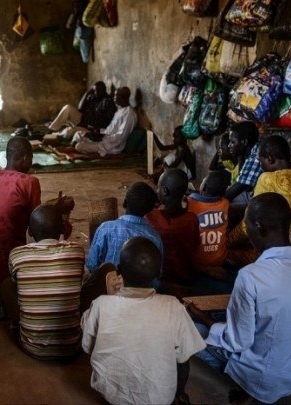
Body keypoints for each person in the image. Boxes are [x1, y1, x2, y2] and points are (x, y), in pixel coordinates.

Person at [189, 193, 291, 404]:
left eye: (246, 225)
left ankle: (248, 387)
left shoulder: (250, 276)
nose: (246, 231)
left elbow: (238, 341)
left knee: (192, 329)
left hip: (265, 378)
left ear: (259, 227)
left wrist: (205, 319)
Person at [81, 237, 206, 405]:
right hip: (160, 399)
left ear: (119, 271)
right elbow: (183, 358)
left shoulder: (101, 305)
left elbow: (88, 346)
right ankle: (179, 396)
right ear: (159, 272)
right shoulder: (173, 306)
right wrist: (179, 392)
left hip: (112, 396)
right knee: (182, 356)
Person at [0, 204, 85, 359]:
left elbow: (16, 283)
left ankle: (21, 324)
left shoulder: (17, 255)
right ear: (63, 229)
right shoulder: (77, 251)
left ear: (30, 232)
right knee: (87, 278)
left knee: (7, 284)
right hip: (72, 346)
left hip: (33, 348)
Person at [228, 135, 291, 266]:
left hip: (275, 256)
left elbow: (248, 225)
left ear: (270, 159)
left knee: (224, 253)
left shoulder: (268, 179)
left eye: (260, 161)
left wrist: (228, 241)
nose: (261, 166)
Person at [0, 137, 41, 287]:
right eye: (31, 159)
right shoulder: (29, 182)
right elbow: (36, 227)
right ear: (25, 158)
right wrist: (59, 213)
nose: (31, 163)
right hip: (13, 262)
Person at [85, 182, 163, 273]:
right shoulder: (154, 237)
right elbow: (157, 274)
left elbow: (91, 265)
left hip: (107, 281)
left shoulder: (105, 228)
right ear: (150, 210)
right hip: (142, 282)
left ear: (125, 202)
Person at [146, 169, 200, 296]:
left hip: (163, 281)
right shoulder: (192, 218)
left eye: (158, 187)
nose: (157, 191)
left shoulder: (152, 218)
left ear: (164, 191)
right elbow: (196, 245)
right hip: (187, 278)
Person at [187, 170, 230, 280]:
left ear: (203, 186)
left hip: (197, 260)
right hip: (220, 259)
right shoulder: (225, 203)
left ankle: (204, 269)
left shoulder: (189, 202)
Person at [72, 87, 138, 156]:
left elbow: (120, 137)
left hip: (111, 146)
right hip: (105, 138)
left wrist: (102, 137)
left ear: (123, 97)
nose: (114, 97)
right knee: (79, 134)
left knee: (79, 146)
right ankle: (75, 146)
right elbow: (110, 130)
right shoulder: (120, 110)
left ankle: (81, 148)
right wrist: (99, 131)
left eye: (116, 95)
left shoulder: (129, 113)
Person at [48, 81, 116, 138]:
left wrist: (97, 130)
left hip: (90, 129)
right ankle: (52, 129)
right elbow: (80, 108)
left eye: (99, 90)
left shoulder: (107, 101)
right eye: (95, 90)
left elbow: (110, 121)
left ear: (104, 90)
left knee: (69, 131)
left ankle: (54, 136)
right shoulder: (94, 97)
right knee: (67, 107)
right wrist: (87, 92)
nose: (96, 92)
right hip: (82, 121)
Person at [223, 121, 262, 207]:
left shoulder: (256, 154)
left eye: (233, 142)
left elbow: (242, 185)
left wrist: (217, 204)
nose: (229, 145)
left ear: (244, 142)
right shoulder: (249, 150)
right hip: (251, 193)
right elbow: (241, 179)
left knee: (226, 204)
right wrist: (240, 155)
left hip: (262, 200)